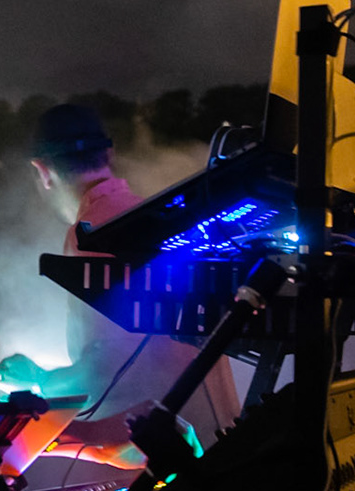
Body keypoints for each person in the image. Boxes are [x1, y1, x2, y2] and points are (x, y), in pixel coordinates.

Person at [20, 102, 241, 454]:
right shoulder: (157, 218)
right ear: (109, 153)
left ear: (42, 171)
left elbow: (103, 364)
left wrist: (34, 380)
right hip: (222, 437)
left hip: (174, 450)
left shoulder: (91, 234)